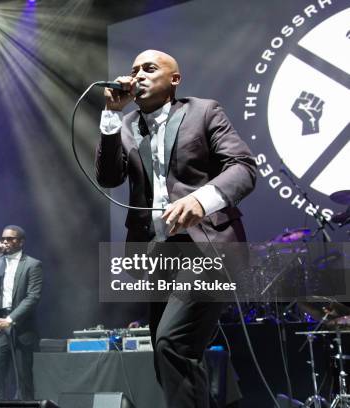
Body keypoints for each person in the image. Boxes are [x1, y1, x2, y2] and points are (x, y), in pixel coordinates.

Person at [95, 50, 256, 407]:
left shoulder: (204, 111)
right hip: (157, 254)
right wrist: (110, 114)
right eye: (134, 70)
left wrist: (202, 200)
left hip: (208, 247)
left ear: (174, 80)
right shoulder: (124, 127)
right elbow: (108, 177)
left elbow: (243, 167)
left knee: (172, 344)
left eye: (149, 69)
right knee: (168, 357)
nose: (138, 75)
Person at [0, 225, 42, 400]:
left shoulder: (32, 264)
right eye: (3, 238)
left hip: (20, 326)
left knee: (23, 379)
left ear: (21, 242)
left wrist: (11, 319)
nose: (5, 241)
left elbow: (33, 297)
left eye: (11, 238)